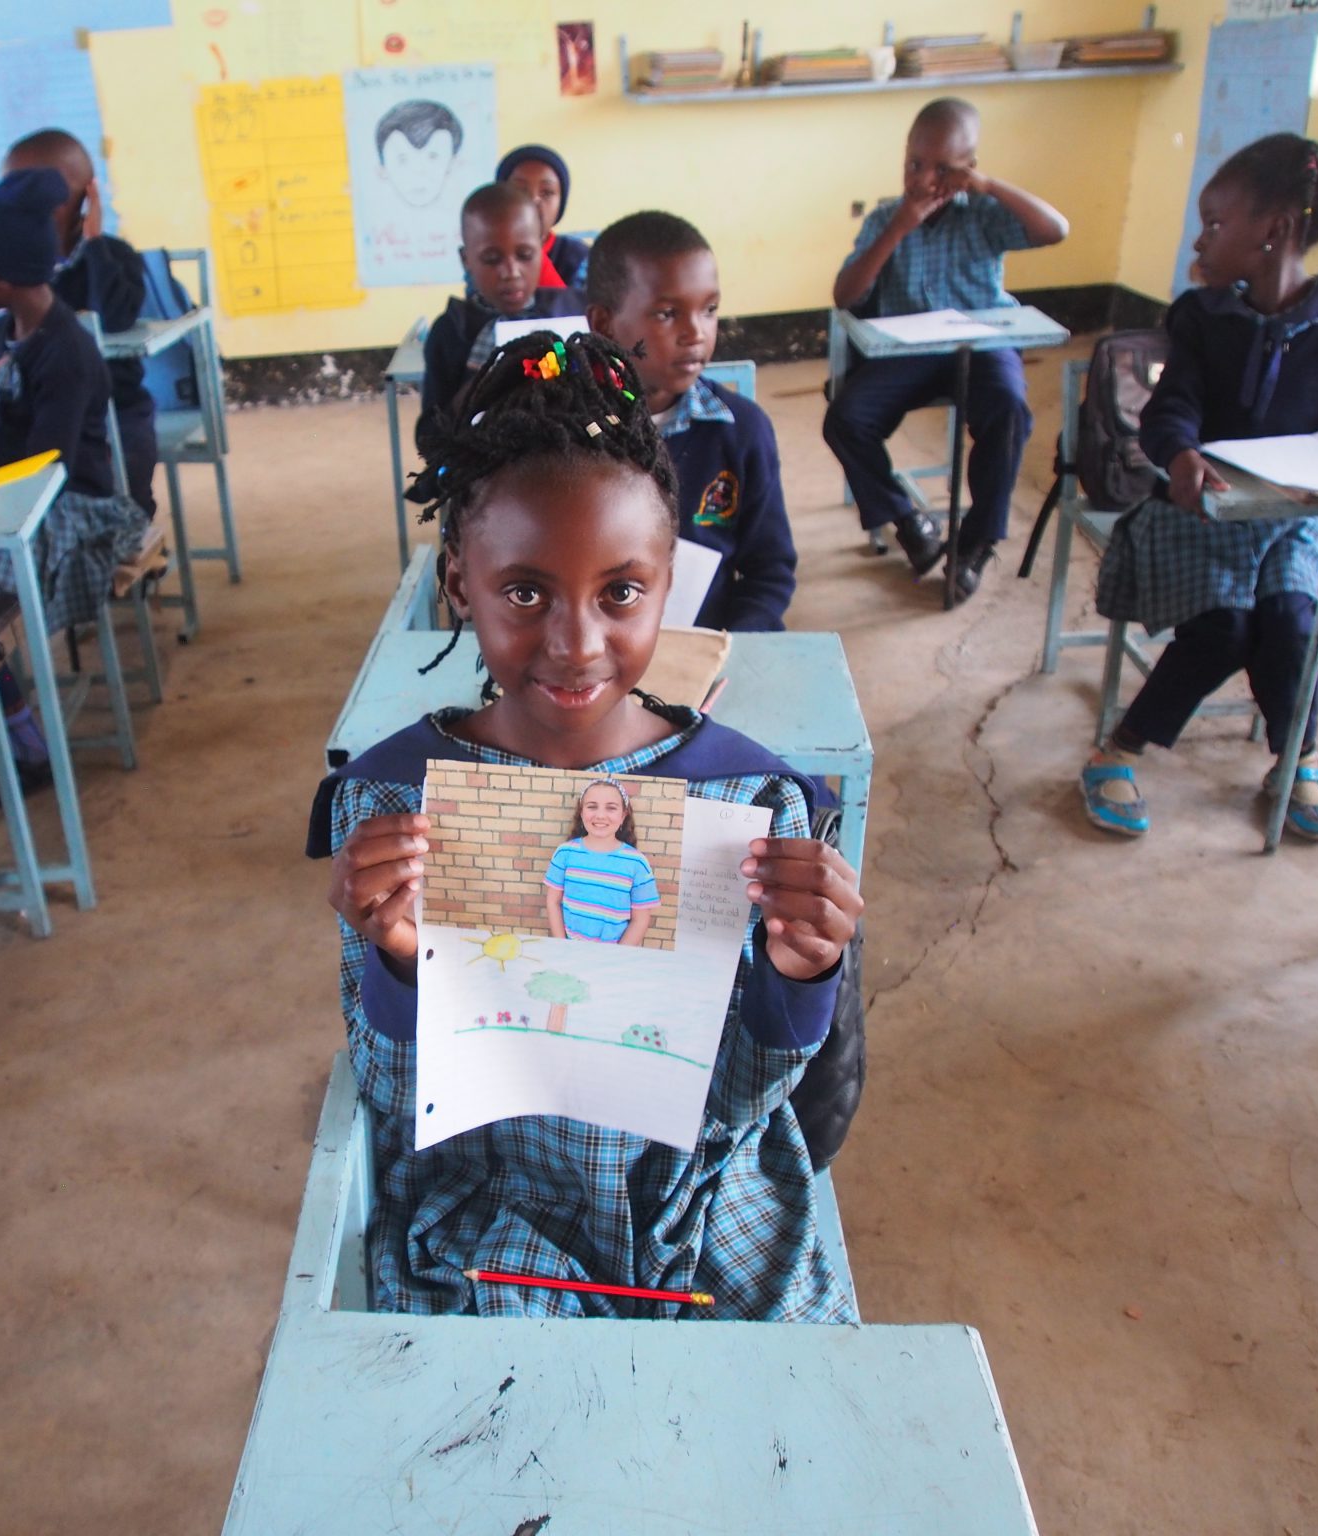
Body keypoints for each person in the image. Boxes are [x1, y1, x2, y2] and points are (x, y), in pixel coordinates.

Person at [314, 329, 863, 1321]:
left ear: (669, 587)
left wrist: (802, 975)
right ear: (457, 584)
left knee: (761, 1428)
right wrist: (396, 963)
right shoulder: (397, 800)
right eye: (523, 592)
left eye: (620, 594)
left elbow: (743, 1105)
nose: (574, 644)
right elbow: (395, 1100)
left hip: (701, 1192)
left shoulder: (745, 799)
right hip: (489, 1206)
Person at [1083, 133, 1318, 841]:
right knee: (1225, 628)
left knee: (1291, 621)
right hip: (1198, 512)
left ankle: (1296, 757)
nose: (1202, 239)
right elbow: (1171, 406)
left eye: (1216, 223)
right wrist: (1179, 456)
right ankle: (1118, 748)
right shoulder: (1203, 317)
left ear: (1272, 232)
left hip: (1289, 519)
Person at [822, 97, 1069, 597]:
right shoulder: (887, 218)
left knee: (1009, 411)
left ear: (968, 170)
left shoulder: (983, 214)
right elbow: (846, 295)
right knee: (846, 418)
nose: (924, 179)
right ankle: (910, 523)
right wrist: (898, 230)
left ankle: (976, 542)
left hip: (981, 346)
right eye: (915, 164)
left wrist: (989, 187)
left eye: (944, 169)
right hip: (906, 350)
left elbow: (1054, 230)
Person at [586, 211, 797, 630]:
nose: (696, 332)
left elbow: (768, 572)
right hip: (588, 647)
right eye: (667, 314)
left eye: (710, 309)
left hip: (704, 643)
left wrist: (730, 646)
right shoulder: (559, 429)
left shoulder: (742, 432)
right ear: (604, 324)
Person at [2, 129, 160, 516]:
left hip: (116, 410)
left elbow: (117, 318)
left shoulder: (115, 256)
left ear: (87, 196)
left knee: (122, 478)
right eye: (16, 191)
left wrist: (94, 245)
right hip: (45, 408)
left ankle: (133, 541)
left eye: (48, 191)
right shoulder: (12, 267)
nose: (32, 205)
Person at [417, 181, 586, 450]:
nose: (511, 271)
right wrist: (479, 389)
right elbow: (428, 439)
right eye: (492, 259)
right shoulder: (452, 331)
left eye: (525, 255)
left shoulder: (571, 315)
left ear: (541, 248)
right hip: (481, 474)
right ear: (466, 260)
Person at [545, 779, 659, 945]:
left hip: (613, 956)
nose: (600, 815)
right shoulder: (564, 853)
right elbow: (553, 901)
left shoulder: (637, 863)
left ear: (623, 815)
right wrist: (563, 946)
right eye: (592, 806)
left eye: (611, 808)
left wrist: (616, 958)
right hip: (570, 949)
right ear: (581, 812)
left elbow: (640, 920)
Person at [498, 143, 589, 289]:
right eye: (520, 191)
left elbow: (578, 308)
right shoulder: (490, 254)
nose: (533, 201)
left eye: (546, 192)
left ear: (561, 203)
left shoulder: (579, 257)